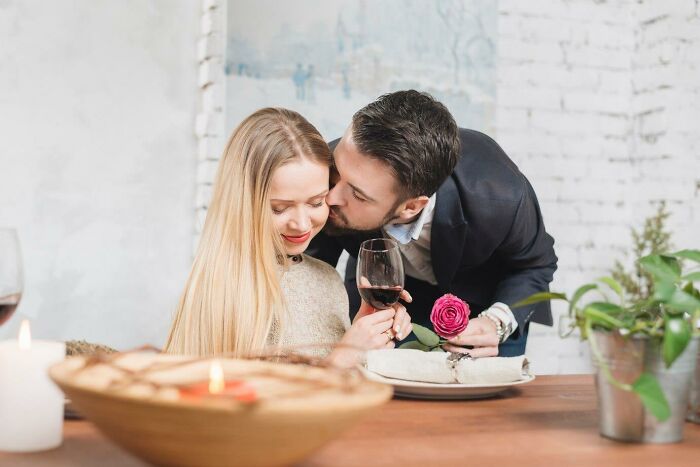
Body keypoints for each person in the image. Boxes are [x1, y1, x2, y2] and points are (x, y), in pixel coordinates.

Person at [308, 90, 558, 357]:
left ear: (412, 207)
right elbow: (306, 275)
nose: (330, 197)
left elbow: (536, 264)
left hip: (484, 301)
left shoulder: (500, 196)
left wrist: (496, 322)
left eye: (357, 194)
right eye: (336, 173)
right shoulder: (331, 167)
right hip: (384, 293)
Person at [164, 108, 412, 365]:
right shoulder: (226, 287)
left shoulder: (327, 278)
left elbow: (334, 393)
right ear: (242, 203)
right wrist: (341, 358)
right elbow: (238, 400)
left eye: (316, 202)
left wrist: (363, 332)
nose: (302, 223)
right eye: (279, 208)